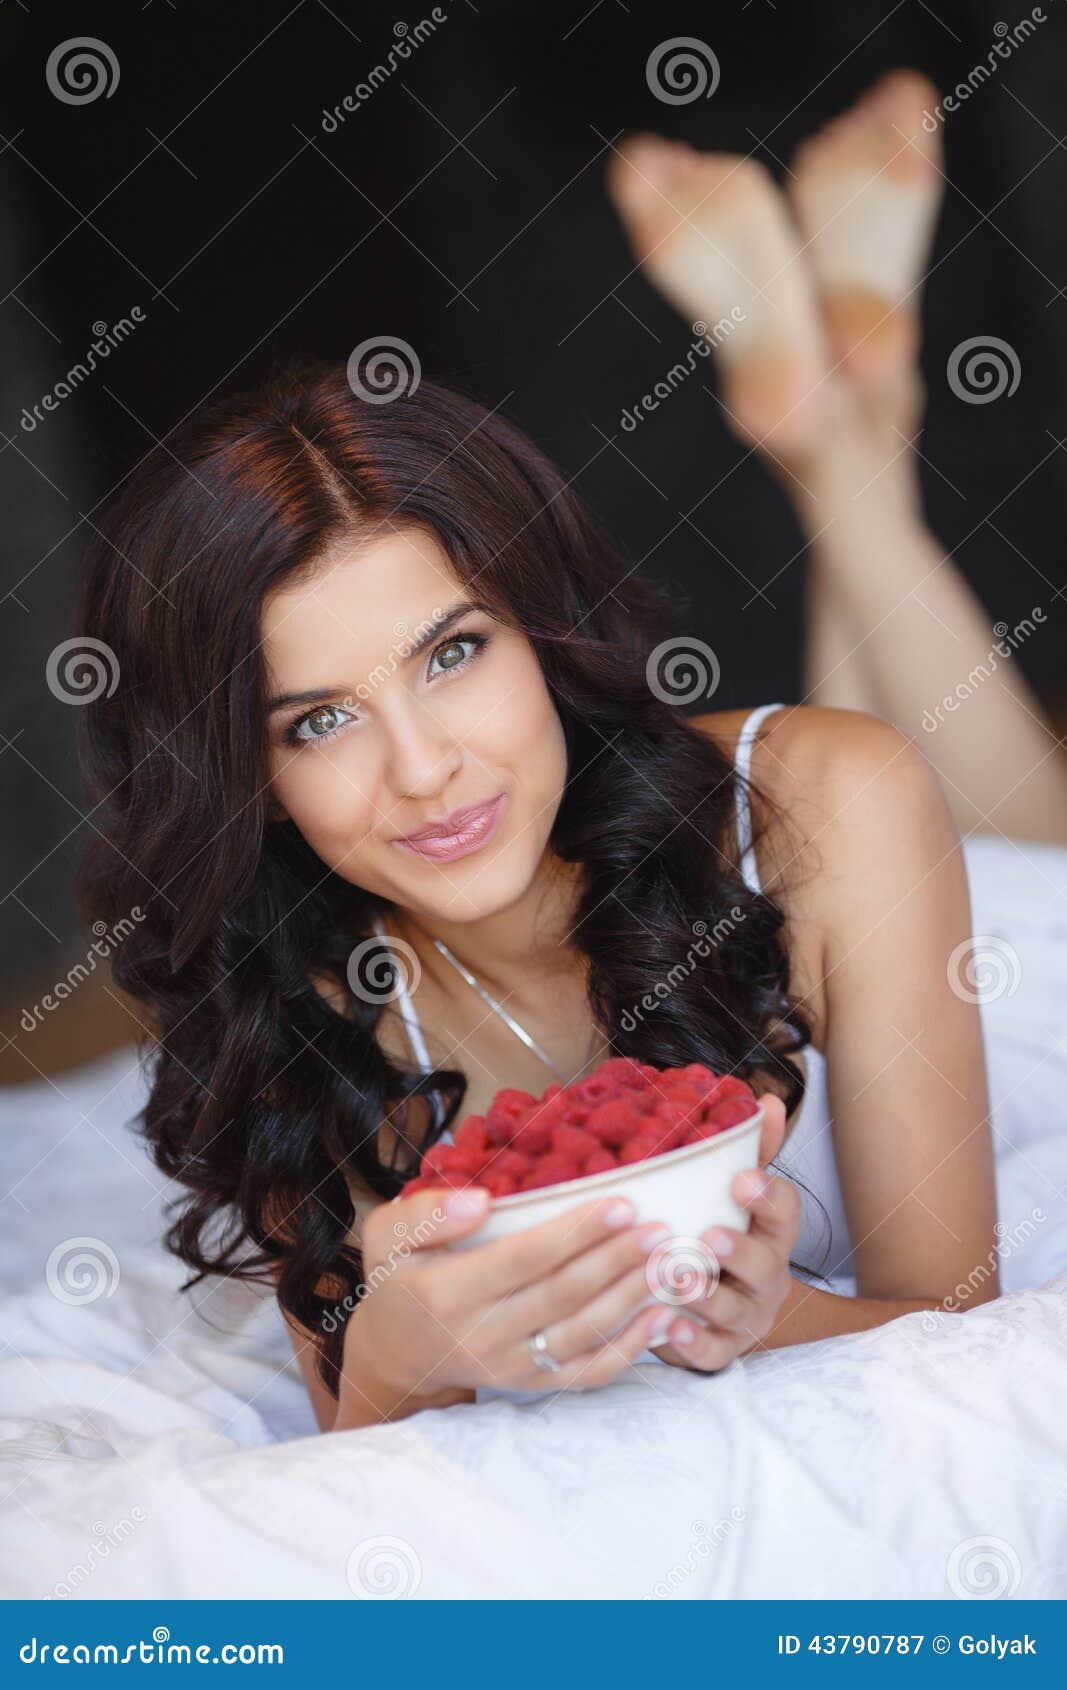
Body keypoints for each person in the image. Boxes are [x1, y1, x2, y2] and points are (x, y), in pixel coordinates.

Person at [77, 72, 1067, 1438]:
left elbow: (958, 1326)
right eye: (318, 720)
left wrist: (772, 1318)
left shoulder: (829, 801)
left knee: (989, 828)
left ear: (544, 633)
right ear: (243, 776)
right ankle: (840, 428)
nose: (423, 771)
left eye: (453, 653)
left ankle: (844, 443)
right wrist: (404, 1349)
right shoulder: (292, 989)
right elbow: (348, 1421)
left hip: (997, 963)